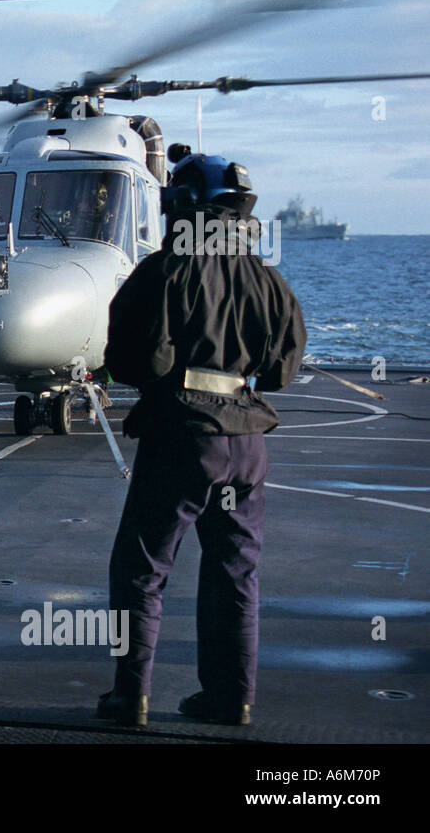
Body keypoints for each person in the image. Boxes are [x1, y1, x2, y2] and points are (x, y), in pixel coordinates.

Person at [95, 147, 306, 727]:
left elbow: (136, 361)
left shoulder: (165, 270)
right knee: (235, 571)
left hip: (184, 438)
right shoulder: (268, 278)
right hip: (248, 444)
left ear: (184, 208)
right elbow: (282, 373)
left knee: (142, 570)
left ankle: (130, 695)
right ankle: (230, 697)